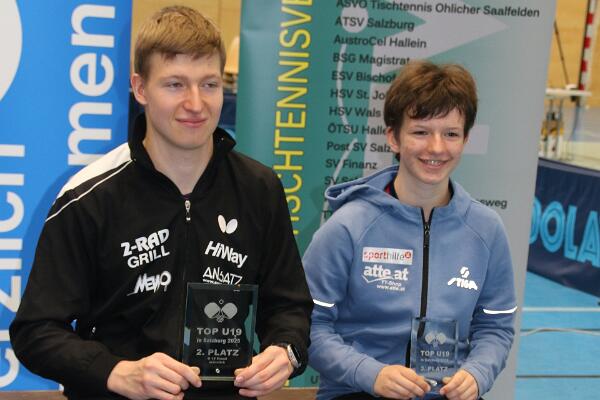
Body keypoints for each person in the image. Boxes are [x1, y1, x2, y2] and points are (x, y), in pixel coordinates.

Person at [10, 6, 312, 400]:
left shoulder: (259, 189)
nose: (196, 103)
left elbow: (289, 308)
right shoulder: (88, 198)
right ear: (140, 88)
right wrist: (116, 372)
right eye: (174, 85)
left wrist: (285, 351)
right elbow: (35, 331)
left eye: (209, 84)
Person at [303, 60, 517, 400]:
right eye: (421, 132)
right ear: (393, 137)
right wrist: (370, 373)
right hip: (358, 391)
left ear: (465, 139)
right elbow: (308, 326)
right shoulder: (347, 227)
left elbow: (496, 326)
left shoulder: (486, 229)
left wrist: (477, 373)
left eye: (451, 134)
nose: (437, 148)